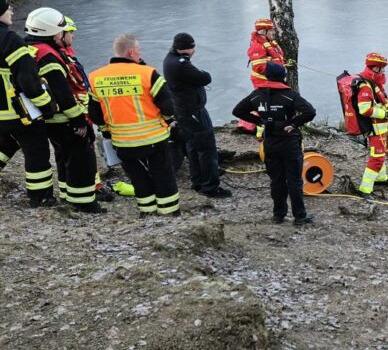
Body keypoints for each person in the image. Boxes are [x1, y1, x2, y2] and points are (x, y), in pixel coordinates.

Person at [87, 34, 180, 216]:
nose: (140, 53)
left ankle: (147, 213)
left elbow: (95, 114)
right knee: (163, 176)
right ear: (131, 52)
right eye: (139, 50)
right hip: (154, 138)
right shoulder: (147, 73)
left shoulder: (95, 78)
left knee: (139, 178)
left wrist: (106, 132)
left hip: (123, 142)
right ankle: (169, 214)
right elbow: (168, 105)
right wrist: (169, 120)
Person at [23, 7, 102, 213]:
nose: (64, 34)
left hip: (48, 119)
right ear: (50, 32)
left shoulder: (31, 49)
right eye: (61, 31)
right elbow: (62, 93)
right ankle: (85, 203)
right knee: (79, 160)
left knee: (63, 157)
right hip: (64, 119)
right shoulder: (48, 56)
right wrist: (78, 120)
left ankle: (69, 195)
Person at [232, 62, 316, 225]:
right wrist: (294, 123)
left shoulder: (256, 95)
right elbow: (310, 112)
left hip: (269, 142)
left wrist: (260, 121)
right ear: (283, 77)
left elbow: (238, 110)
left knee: (276, 180)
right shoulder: (290, 95)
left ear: (267, 76)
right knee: (294, 180)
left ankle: (278, 215)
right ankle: (300, 216)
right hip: (289, 142)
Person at [0, 0, 59, 207]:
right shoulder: (10, 40)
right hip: (17, 112)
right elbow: (28, 80)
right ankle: (41, 196)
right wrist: (47, 106)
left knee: (5, 143)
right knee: (37, 151)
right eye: (8, 9)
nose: (12, 12)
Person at [163, 32, 231, 198]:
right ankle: (210, 186)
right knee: (207, 148)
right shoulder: (181, 64)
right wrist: (201, 73)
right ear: (188, 49)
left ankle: (198, 181)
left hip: (184, 111)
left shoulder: (170, 59)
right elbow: (204, 77)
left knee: (193, 146)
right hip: (193, 112)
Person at [59, 16, 115, 203]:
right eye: (71, 32)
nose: (73, 36)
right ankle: (94, 187)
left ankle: (91, 185)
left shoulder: (66, 52)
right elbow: (73, 86)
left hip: (81, 110)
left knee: (81, 152)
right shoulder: (60, 55)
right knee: (84, 153)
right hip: (77, 113)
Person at [354, 52, 388, 200]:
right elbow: (364, 109)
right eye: (382, 69)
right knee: (377, 159)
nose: (384, 72)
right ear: (375, 68)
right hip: (374, 130)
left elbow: (381, 101)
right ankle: (365, 188)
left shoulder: (374, 84)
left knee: (381, 155)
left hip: (380, 129)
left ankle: (381, 178)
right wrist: (385, 115)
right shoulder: (365, 86)